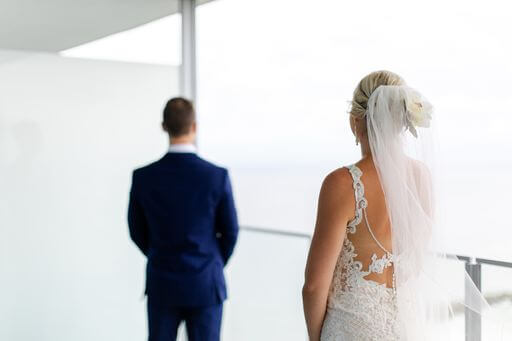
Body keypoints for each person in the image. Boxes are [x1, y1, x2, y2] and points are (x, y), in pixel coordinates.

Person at [302, 70, 491, 340]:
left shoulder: (341, 184)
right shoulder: (420, 177)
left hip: (353, 327)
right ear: (403, 122)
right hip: (405, 324)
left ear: (354, 122)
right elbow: (413, 263)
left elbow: (314, 286)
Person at [128, 97, 239, 341]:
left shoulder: (144, 177)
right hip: (205, 283)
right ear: (194, 126)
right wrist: (212, 262)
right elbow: (230, 232)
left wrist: (159, 254)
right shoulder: (216, 176)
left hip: (162, 280)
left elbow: (136, 231)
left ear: (163, 126)